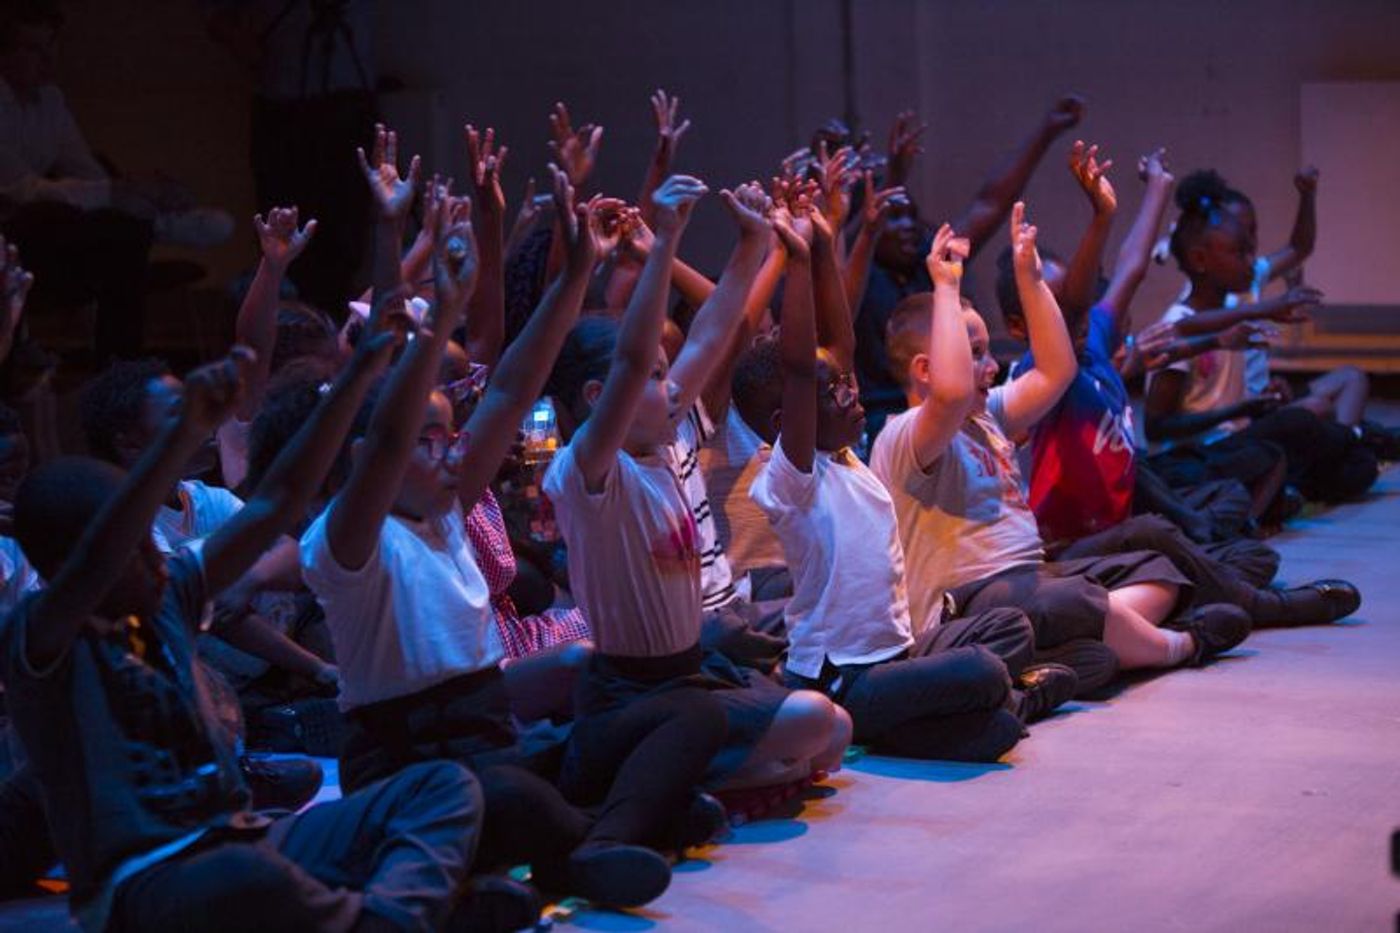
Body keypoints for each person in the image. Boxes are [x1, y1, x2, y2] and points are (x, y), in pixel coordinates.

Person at [302, 127, 698, 910]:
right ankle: (582, 849)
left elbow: (514, 388)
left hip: (496, 739)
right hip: (412, 770)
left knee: (676, 718)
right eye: (429, 437)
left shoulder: (448, 510)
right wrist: (427, 287)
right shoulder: (349, 540)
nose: (450, 450)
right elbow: (385, 429)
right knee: (503, 797)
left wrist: (578, 269)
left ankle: (549, 850)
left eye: (453, 435)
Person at [1, 335, 511, 931]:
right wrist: (176, 440)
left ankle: (386, 917)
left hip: (246, 847)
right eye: (140, 548)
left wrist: (361, 370)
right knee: (247, 881)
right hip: (150, 886)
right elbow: (100, 553)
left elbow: (277, 500)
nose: (157, 559)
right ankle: (400, 913)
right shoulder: (40, 640)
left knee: (440, 789)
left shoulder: (164, 599)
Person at [735, 189, 1073, 761]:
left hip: (895, 656)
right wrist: (794, 261)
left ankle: (963, 715)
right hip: (839, 676)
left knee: (1002, 668)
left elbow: (834, 349)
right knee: (982, 673)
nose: (853, 392)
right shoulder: (794, 479)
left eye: (847, 384)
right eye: (835, 393)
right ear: (788, 419)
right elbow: (797, 371)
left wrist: (821, 246)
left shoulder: (844, 459)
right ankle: (983, 704)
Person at [543, 176, 849, 803]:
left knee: (835, 728)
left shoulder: (664, 440)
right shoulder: (592, 472)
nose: (671, 386)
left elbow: (713, 333)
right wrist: (666, 243)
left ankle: (696, 782)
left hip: (689, 673)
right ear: (602, 401)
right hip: (633, 691)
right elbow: (631, 362)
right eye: (657, 378)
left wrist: (754, 241)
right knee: (812, 723)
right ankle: (669, 781)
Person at [873, 204, 1251, 693]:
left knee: (1161, 570)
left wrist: (1031, 280)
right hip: (969, 606)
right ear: (927, 369)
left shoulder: (988, 415)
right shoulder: (904, 436)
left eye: (988, 351)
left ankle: (1076, 651)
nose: (991, 367)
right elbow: (948, 394)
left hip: (1034, 581)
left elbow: (1056, 370)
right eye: (975, 353)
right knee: (1066, 601)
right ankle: (1181, 645)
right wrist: (945, 287)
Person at [0, 1, 232, 359]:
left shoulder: (50, 99)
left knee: (121, 229)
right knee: (72, 217)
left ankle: (149, 221)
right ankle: (154, 229)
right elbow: (21, 190)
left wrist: (136, 193)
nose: (47, 60)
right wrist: (115, 193)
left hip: (47, 231)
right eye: (33, 49)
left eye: (51, 48)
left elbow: (82, 166)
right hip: (13, 235)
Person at [1143, 183, 1378, 506]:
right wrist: (1241, 410)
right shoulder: (1179, 321)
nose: (1252, 262)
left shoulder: (1227, 315)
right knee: (1299, 425)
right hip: (1195, 457)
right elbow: (1156, 428)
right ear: (1200, 259)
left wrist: (1260, 402)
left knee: (1359, 469)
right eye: (1239, 253)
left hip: (1238, 445)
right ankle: (1359, 438)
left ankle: (1351, 445)